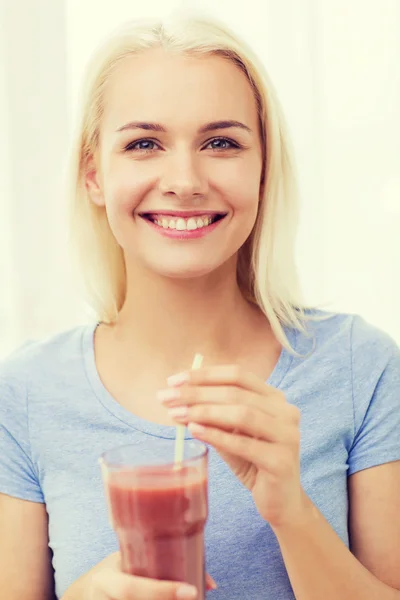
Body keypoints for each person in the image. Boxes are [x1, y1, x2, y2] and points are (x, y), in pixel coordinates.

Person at [1, 13, 399, 600]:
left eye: (221, 143)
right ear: (93, 174)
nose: (184, 180)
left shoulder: (360, 367)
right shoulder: (25, 393)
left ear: (263, 170)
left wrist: (291, 511)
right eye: (143, 144)